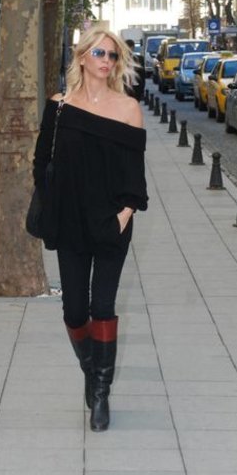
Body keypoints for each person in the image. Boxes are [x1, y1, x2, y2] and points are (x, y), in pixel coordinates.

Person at [32, 27, 148, 432]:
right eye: (99, 53)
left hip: (111, 222)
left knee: (102, 305)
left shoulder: (128, 108)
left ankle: (100, 392)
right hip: (70, 222)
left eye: (112, 55)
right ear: (82, 57)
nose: (106, 61)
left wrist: (123, 216)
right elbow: (40, 163)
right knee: (74, 310)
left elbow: (135, 176)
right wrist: (52, 205)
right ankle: (91, 368)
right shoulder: (60, 106)